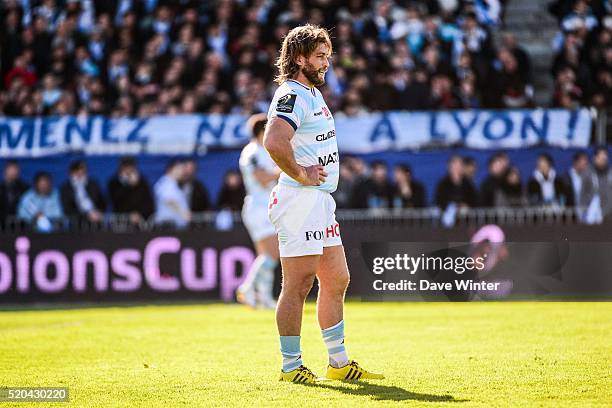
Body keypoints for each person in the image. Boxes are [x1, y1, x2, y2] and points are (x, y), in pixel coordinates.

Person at [263, 24, 383, 384]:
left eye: (328, 56)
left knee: (336, 279)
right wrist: (300, 173)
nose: (327, 63)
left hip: (318, 200)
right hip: (300, 199)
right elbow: (273, 140)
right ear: (299, 58)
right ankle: (290, 366)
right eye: (320, 56)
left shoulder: (311, 92)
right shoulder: (293, 94)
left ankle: (338, 362)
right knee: (297, 285)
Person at [236, 113, 280, 309]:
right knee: (272, 254)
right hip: (259, 207)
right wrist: (286, 169)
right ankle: (247, 288)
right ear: (262, 131)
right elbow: (263, 178)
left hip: (266, 206)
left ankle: (263, 298)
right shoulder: (252, 152)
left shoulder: (264, 151)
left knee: (267, 256)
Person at [108, 157, 154, 224]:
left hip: (141, 220)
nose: (128, 170)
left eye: (131, 167)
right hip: (121, 220)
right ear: (121, 168)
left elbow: (149, 204)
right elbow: (116, 202)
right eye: (126, 167)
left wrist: (140, 214)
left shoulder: (142, 182)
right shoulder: (114, 183)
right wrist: (127, 186)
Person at [60, 160, 106, 224]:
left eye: (85, 170)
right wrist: (87, 215)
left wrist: (99, 212)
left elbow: (102, 202)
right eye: (80, 169)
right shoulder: (66, 188)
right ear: (72, 171)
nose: (83, 172)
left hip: (96, 217)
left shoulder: (93, 184)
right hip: (77, 221)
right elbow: (67, 209)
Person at [153, 159, 191, 228]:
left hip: (176, 226)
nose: (183, 171)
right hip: (168, 225)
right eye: (180, 168)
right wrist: (182, 212)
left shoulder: (174, 184)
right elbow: (169, 200)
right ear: (171, 169)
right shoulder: (166, 182)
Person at [0, 160, 29, 225]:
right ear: (5, 171)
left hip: (21, 223)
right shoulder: (1, 188)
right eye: (11, 169)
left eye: (15, 169)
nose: (13, 172)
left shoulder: (25, 188)